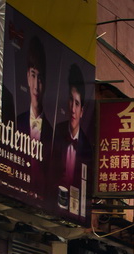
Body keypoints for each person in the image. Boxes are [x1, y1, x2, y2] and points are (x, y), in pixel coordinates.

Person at [51, 64, 87, 192]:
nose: (73, 109)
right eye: (71, 101)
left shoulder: (87, 147)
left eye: (77, 104)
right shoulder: (56, 133)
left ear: (82, 111)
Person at [16, 36, 52, 151]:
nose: (36, 86)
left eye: (40, 78)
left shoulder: (52, 135)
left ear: (45, 83)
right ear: (27, 77)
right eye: (33, 75)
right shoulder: (16, 122)